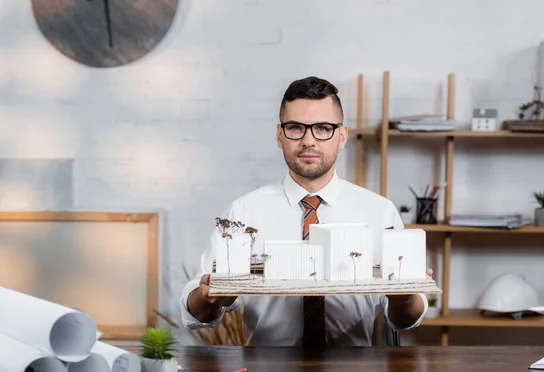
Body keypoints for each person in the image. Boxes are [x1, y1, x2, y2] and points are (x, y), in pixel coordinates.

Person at [180, 76, 431, 347]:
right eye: (296, 127)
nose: (308, 140)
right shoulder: (244, 212)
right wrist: (207, 297)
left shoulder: (380, 211)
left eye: (323, 128)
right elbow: (197, 312)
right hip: (267, 369)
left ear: (342, 136)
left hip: (356, 371)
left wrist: (405, 297)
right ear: (279, 136)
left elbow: (405, 320)